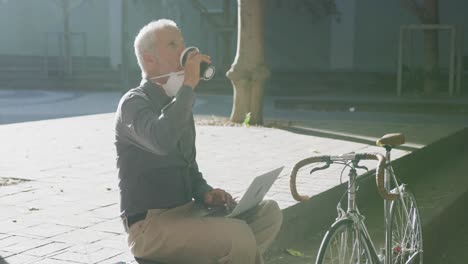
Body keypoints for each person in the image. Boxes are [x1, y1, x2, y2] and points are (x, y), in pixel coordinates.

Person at [114, 19, 283, 264]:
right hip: (150, 227)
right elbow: (161, 140)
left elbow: (189, 167)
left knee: (268, 213)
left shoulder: (180, 103)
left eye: (182, 42)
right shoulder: (133, 103)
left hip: (188, 213)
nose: (186, 51)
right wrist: (188, 87)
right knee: (238, 236)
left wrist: (205, 193)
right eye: (173, 45)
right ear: (149, 59)